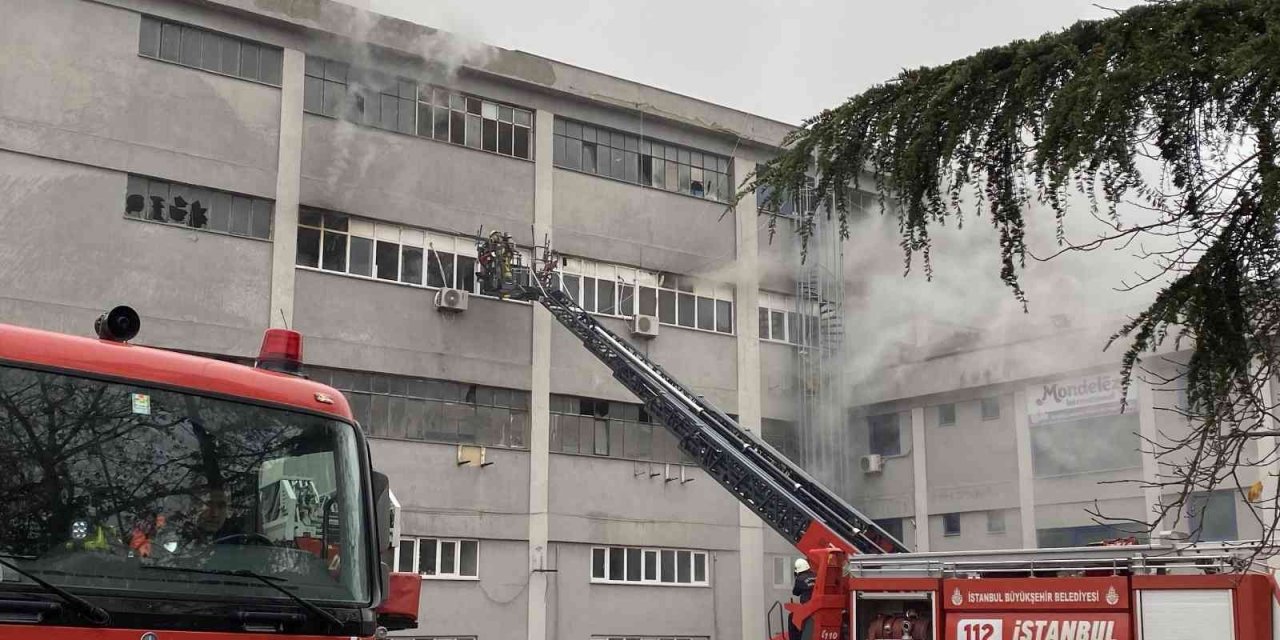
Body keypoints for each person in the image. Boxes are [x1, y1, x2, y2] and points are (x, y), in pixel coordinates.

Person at [789, 557, 816, 640]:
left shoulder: (800, 579)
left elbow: (795, 592)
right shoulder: (816, 575)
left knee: (792, 617)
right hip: (817, 607)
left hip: (807, 608)